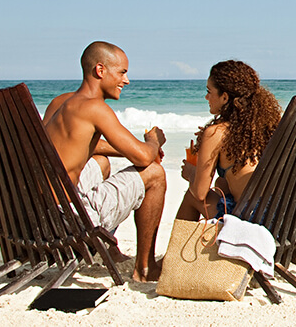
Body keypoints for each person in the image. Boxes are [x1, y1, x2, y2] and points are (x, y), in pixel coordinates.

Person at [42, 41, 168, 282]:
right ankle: (145, 268)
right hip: (66, 221)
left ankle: (111, 248)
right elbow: (143, 157)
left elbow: (75, 146)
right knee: (154, 173)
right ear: (100, 71)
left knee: (100, 162)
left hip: (37, 213)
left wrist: (126, 151)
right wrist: (153, 142)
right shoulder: (95, 108)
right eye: (122, 72)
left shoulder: (61, 103)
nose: (127, 80)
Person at [176, 60, 281, 221]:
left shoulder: (216, 133)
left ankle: (178, 247)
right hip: (285, 214)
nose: (206, 97)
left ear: (224, 97)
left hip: (256, 220)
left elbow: (199, 193)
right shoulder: (267, 126)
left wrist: (191, 173)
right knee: (222, 184)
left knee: (192, 197)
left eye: (209, 91)